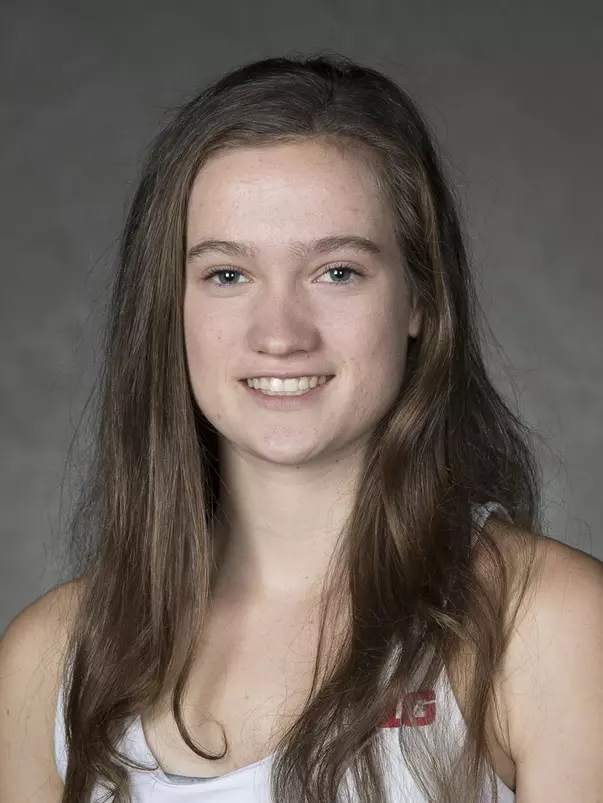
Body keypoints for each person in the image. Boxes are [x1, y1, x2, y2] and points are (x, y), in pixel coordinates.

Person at [1, 53, 602, 803]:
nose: (280, 333)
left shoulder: (544, 626)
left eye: (336, 271)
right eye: (227, 274)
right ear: (170, 308)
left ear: (419, 299)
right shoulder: (52, 661)